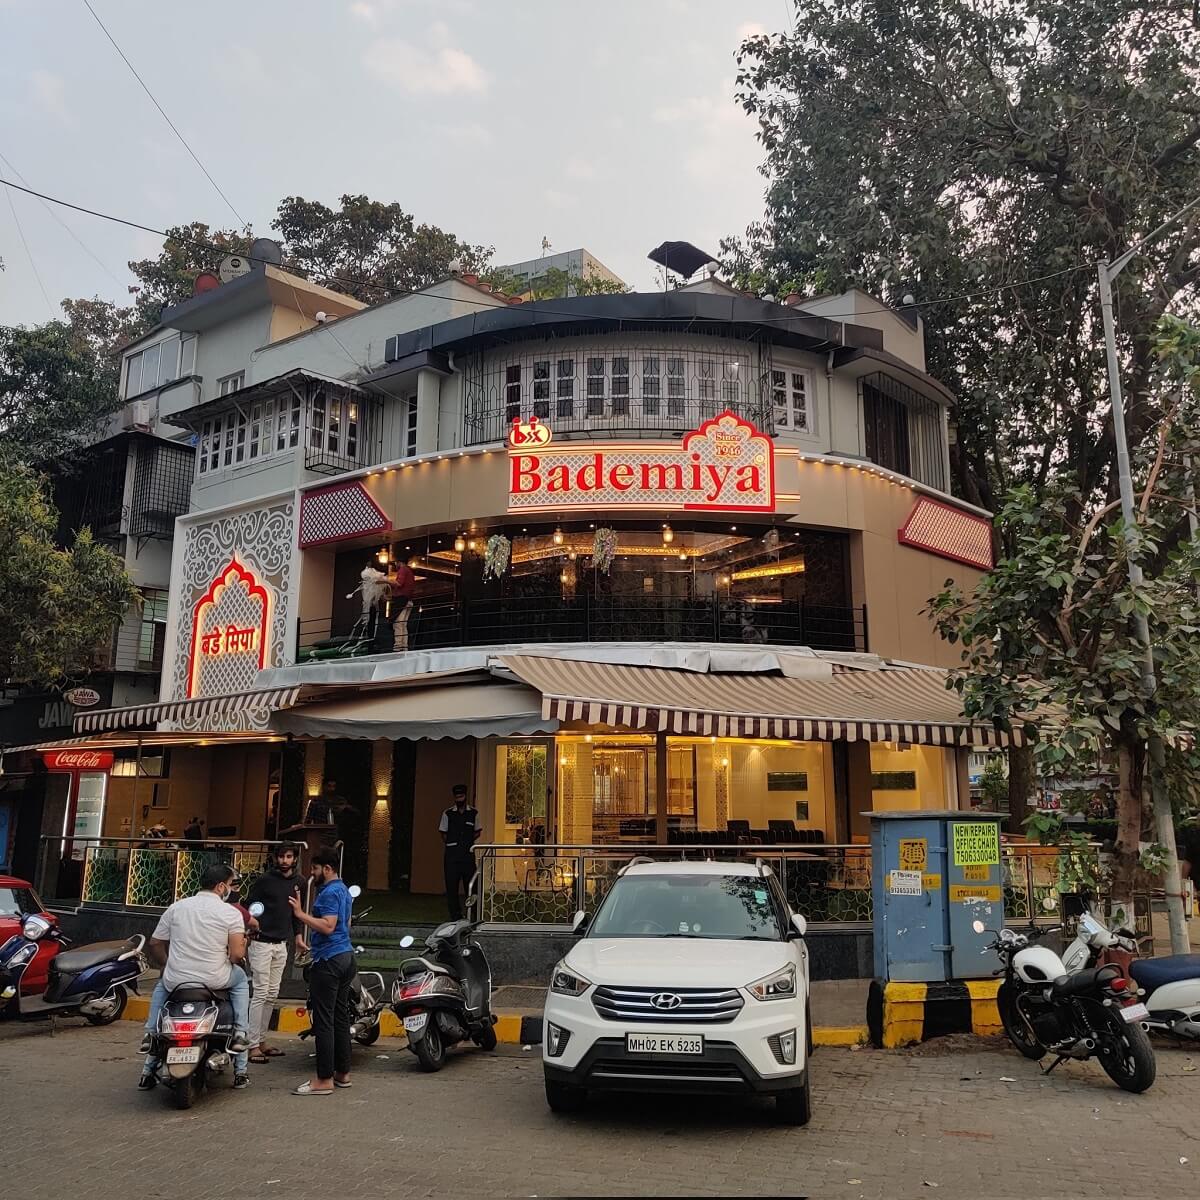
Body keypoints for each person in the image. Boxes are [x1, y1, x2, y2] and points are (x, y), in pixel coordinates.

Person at [137, 863, 252, 1092]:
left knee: (162, 984)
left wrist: (168, 964)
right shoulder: (230, 913)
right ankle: (240, 1038)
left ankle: (150, 1036)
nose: (231, 889)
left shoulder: (176, 907)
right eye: (230, 885)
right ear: (221, 887)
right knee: (241, 981)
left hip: (177, 980)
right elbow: (237, 955)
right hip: (215, 979)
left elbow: (156, 943)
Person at [288, 847, 355, 1095]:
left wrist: (301, 915)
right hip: (345, 956)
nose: (312, 874)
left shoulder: (328, 892)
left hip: (329, 960)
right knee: (340, 1017)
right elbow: (345, 923)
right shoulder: (344, 890)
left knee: (324, 1021)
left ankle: (323, 1079)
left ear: (327, 869)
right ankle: (342, 1073)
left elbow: (328, 926)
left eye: (315, 869)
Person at [245, 843, 305, 1064]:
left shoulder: (300, 883)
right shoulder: (264, 881)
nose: (284, 861)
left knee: (272, 994)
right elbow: (248, 906)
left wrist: (298, 937)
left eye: (288, 857)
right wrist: (252, 928)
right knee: (260, 993)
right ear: (275, 858)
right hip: (261, 942)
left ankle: (261, 1041)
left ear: (295, 859)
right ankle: (252, 1046)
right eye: (281, 856)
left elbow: (296, 914)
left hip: (282, 944)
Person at [440, 783, 481, 920]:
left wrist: (465, 843)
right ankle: (455, 916)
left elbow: (477, 832)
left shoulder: (473, 813)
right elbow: (444, 834)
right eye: (457, 797)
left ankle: (473, 915)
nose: (459, 799)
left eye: (461, 796)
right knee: (451, 888)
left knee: (471, 886)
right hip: (452, 857)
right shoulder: (447, 813)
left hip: (467, 856)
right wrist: (453, 845)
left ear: (465, 796)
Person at [372, 559, 416, 653]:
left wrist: (385, 580)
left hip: (402, 600)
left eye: (396, 563)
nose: (395, 565)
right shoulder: (410, 572)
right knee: (403, 624)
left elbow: (399, 583)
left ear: (399, 562)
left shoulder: (403, 569)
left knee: (398, 623)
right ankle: (404, 646)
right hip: (408, 600)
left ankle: (398, 646)